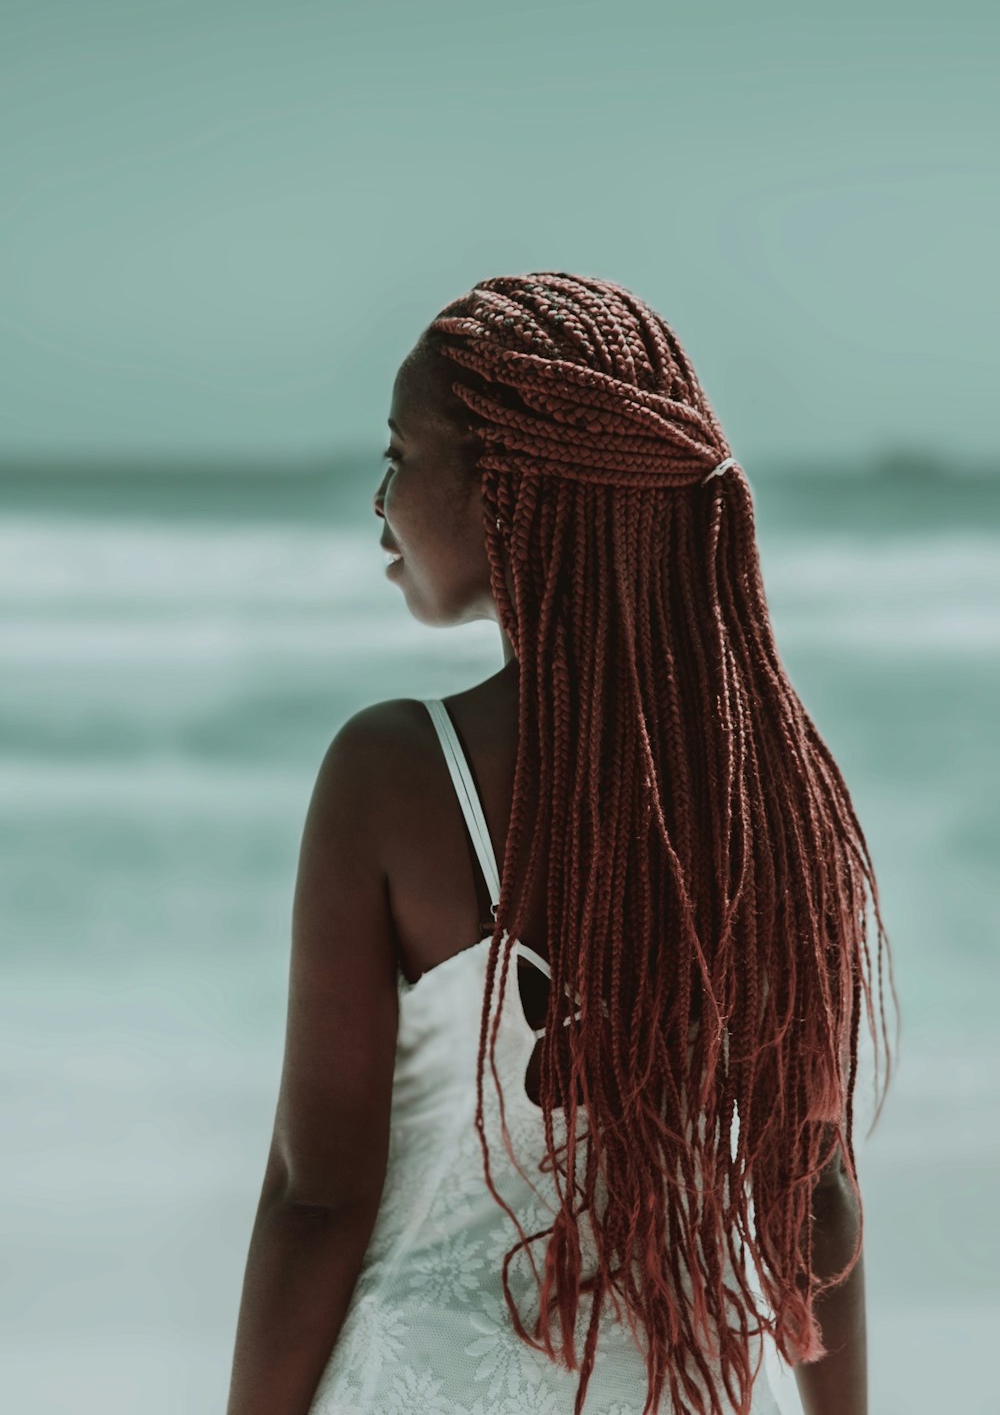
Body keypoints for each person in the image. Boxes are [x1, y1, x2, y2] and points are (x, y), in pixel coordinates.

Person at [225, 271, 899, 1415]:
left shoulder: (395, 773)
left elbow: (317, 1196)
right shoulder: (772, 789)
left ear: (505, 487)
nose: (378, 501)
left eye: (400, 454)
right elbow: (813, 1188)